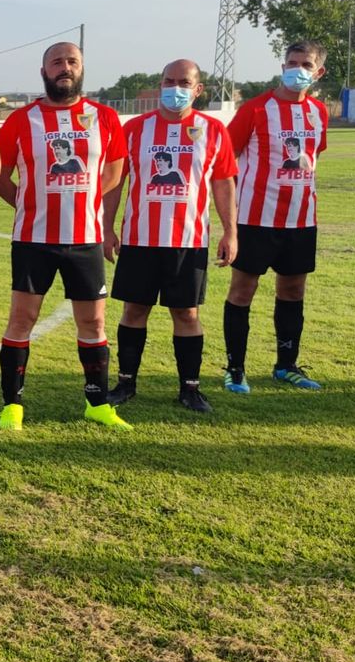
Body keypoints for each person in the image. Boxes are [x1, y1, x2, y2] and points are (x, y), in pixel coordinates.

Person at [0, 41, 129, 430]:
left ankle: (98, 403)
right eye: (57, 62)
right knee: (22, 319)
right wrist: (27, 204)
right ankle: (12, 406)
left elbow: (116, 169)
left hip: (85, 238)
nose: (64, 67)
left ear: (81, 69)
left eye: (72, 61)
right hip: (33, 239)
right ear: (44, 72)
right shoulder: (22, 120)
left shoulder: (103, 117)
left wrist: (85, 203)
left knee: (94, 324)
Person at [100, 60, 238, 413]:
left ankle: (189, 389)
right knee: (134, 310)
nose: (174, 88)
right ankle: (125, 384)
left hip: (188, 241)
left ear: (197, 89)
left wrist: (230, 231)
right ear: (160, 84)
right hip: (140, 239)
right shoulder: (134, 130)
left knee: (187, 314)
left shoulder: (213, 130)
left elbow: (223, 183)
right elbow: (116, 181)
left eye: (183, 82)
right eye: (168, 81)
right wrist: (108, 227)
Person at [221, 41, 331, 393]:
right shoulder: (255, 109)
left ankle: (286, 366)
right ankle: (235, 369)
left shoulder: (319, 112)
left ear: (318, 72)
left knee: (293, 291)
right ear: (282, 65)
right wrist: (234, 215)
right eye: (292, 62)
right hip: (256, 218)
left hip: (301, 219)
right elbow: (227, 164)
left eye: (306, 64)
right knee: (242, 291)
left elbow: (314, 158)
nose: (297, 69)